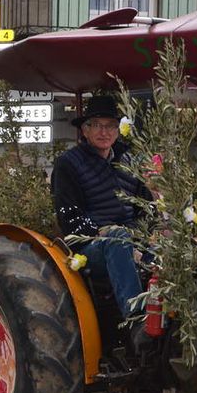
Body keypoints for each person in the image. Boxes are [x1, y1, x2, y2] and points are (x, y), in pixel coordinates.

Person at [51, 95, 152, 321]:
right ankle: (136, 319)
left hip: (131, 239)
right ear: (85, 130)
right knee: (118, 239)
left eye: (110, 126)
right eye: (96, 125)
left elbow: (146, 207)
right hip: (89, 246)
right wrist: (101, 232)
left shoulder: (130, 160)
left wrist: (144, 236)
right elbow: (69, 216)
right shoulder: (68, 163)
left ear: (118, 130)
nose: (104, 132)